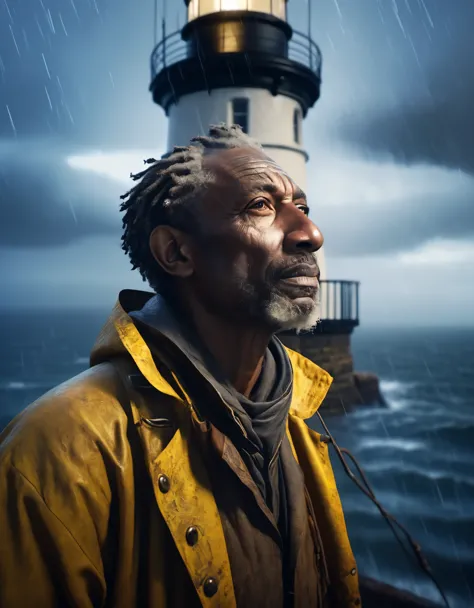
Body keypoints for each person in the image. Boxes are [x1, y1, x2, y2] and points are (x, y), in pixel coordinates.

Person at [0, 124, 360, 607]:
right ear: (177, 252)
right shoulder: (56, 451)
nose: (310, 234)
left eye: (302, 207)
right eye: (261, 205)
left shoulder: (297, 422)